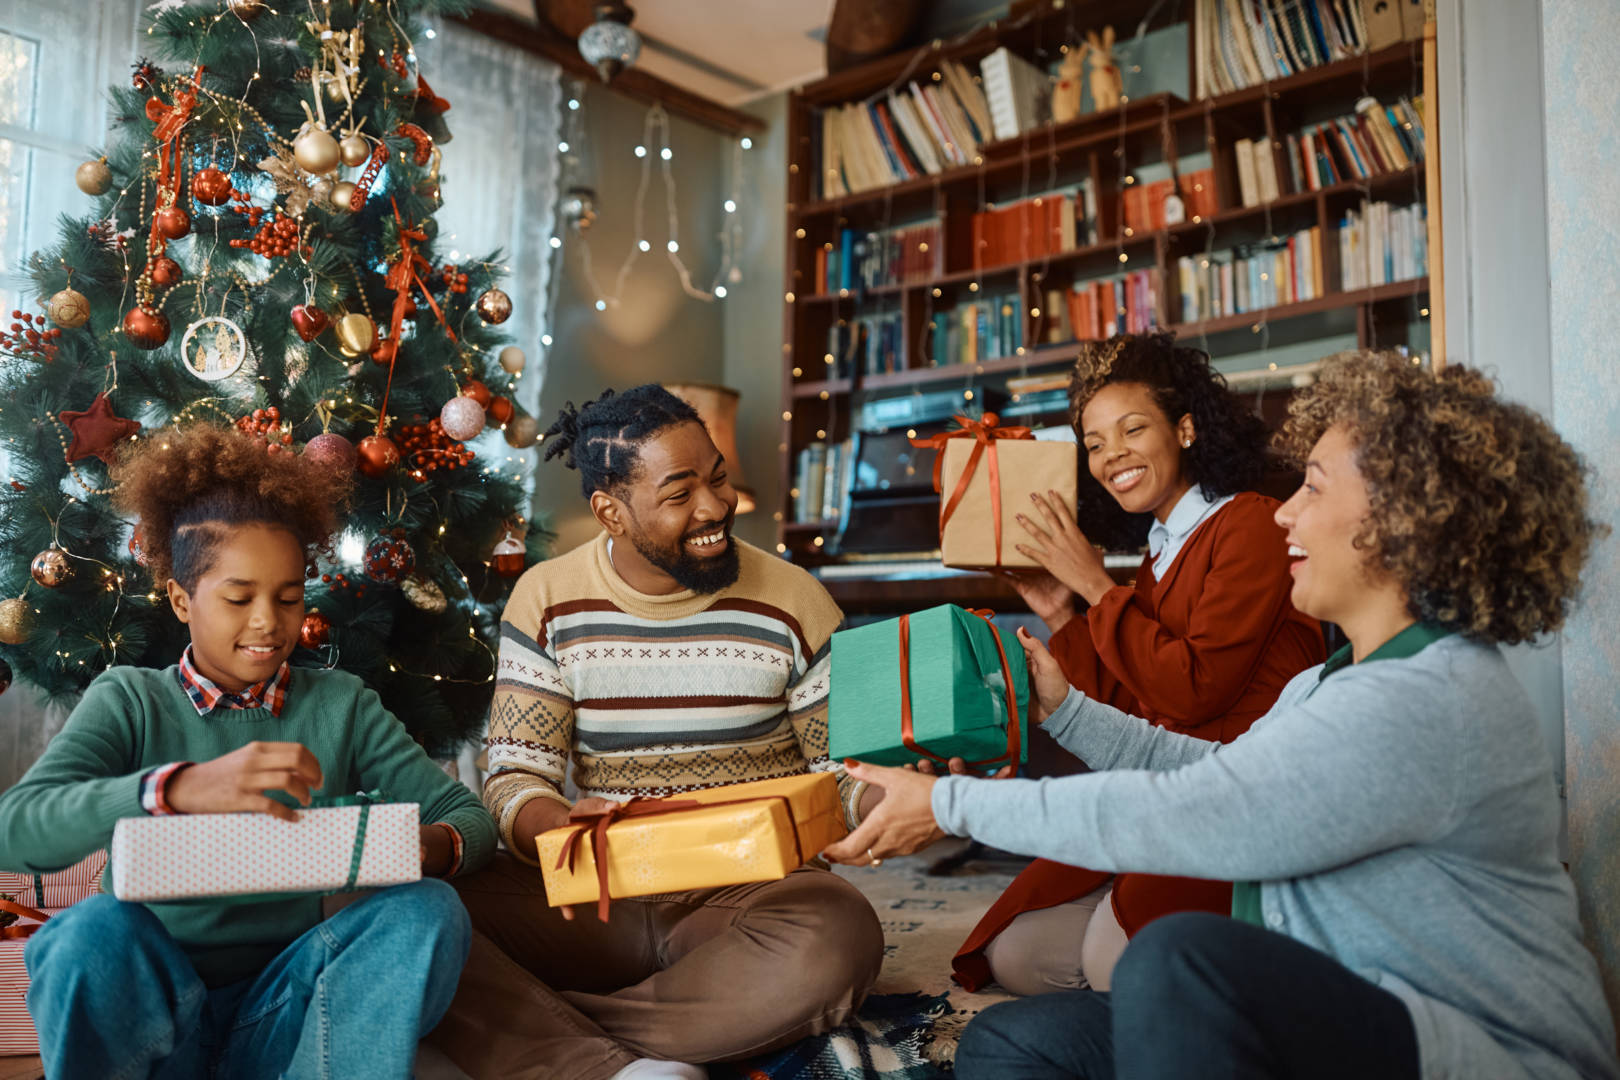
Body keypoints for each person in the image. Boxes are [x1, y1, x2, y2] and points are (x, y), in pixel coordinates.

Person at [826, 353, 1618, 1080]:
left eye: (1311, 487)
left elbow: (1194, 812)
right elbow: (1205, 767)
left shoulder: (1429, 697)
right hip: (1329, 1014)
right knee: (1011, 1041)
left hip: (1475, 1054)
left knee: (1174, 963)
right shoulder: (1332, 682)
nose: (1283, 515)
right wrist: (1060, 706)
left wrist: (945, 805)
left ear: (1400, 518)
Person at [0, 424, 494, 1080]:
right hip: (157, 1017)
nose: (269, 621)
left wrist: (406, 846)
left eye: (289, 598)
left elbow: (470, 818)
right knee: (86, 933)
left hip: (288, 1012)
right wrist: (173, 790)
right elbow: (15, 828)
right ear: (181, 599)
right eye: (239, 598)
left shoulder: (339, 706)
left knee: (429, 910)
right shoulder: (129, 700)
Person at [428, 385, 883, 1080]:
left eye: (718, 478)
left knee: (839, 938)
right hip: (599, 883)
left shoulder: (795, 601)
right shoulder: (547, 598)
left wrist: (896, 801)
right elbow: (516, 778)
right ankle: (639, 1050)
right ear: (611, 510)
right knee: (414, 908)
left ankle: (562, 1043)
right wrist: (558, 824)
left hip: (748, 892)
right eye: (680, 493)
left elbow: (845, 774)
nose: (714, 507)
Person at [954, 332, 1324, 995]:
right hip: (1154, 787)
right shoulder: (1159, 553)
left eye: (1131, 430)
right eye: (1093, 443)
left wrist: (1098, 587)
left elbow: (1192, 693)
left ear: (1184, 429)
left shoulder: (1252, 524)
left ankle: (1189, 971)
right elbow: (1132, 711)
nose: (1110, 455)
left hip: (1230, 803)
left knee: (1104, 960)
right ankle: (1145, 958)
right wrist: (1065, 611)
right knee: (1012, 954)